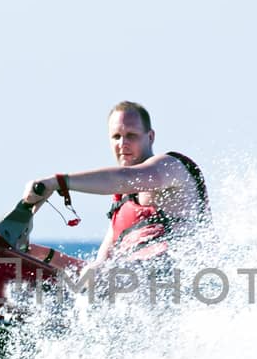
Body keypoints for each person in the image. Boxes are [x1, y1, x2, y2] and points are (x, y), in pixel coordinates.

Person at [22, 101, 210, 269]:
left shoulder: (170, 167)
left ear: (150, 137)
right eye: (116, 136)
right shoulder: (121, 205)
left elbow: (126, 179)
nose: (123, 143)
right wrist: (43, 254)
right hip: (139, 291)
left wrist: (58, 182)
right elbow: (95, 271)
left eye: (131, 135)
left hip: (181, 281)